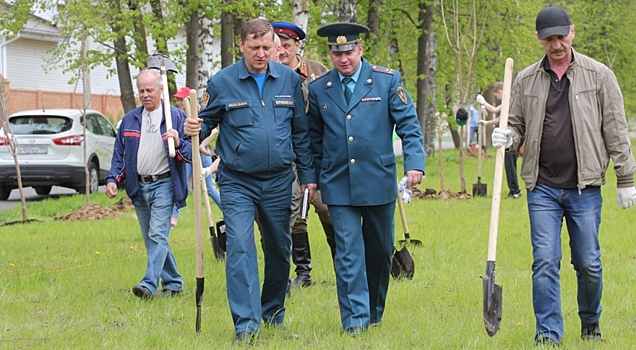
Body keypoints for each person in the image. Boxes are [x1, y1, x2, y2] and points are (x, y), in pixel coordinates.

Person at [491, 5, 636, 346]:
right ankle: (548, 333)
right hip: (542, 188)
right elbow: (515, 128)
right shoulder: (526, 80)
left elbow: (616, 129)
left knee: (588, 263)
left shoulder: (599, 76)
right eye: (549, 39)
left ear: (572, 32)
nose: (556, 45)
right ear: (539, 40)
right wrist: (507, 138)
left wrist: (626, 178)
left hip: (584, 188)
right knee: (544, 260)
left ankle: (590, 322)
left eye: (560, 37)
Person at [183, 18, 316, 344]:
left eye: (267, 47)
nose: (261, 53)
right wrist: (192, 128)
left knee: (278, 250)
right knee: (241, 248)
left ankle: (272, 313)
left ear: (276, 47)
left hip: (279, 180)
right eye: (254, 47)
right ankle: (246, 326)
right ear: (241, 45)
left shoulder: (288, 80)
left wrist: (309, 176)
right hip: (237, 181)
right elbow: (204, 122)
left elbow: (300, 132)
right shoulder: (223, 82)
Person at [307, 22, 425, 336]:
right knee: (348, 253)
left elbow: (409, 126)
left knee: (380, 251)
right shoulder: (320, 89)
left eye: (348, 51)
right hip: (338, 183)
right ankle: (355, 321)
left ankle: (373, 312)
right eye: (336, 52)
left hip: (378, 180)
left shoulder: (386, 81)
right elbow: (313, 139)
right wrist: (311, 177)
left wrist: (415, 165)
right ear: (329, 53)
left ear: (360, 49)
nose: (343, 58)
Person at [105, 69, 192, 299]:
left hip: (164, 183)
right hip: (139, 186)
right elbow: (120, 155)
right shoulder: (130, 120)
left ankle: (149, 284)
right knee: (152, 239)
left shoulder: (175, 117)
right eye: (141, 90)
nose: (145, 95)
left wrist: (178, 142)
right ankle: (173, 283)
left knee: (157, 235)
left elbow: (190, 152)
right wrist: (113, 178)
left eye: (149, 90)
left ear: (161, 91)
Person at [272, 20, 335, 287]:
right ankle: (302, 273)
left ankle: (346, 265)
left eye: (287, 46)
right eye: (279, 46)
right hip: (286, 155)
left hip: (317, 154)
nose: (282, 52)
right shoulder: (270, 75)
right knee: (293, 212)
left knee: (326, 207)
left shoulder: (317, 71)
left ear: (297, 45)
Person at [170, 86, 222, 228]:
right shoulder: (180, 115)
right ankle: (174, 216)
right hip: (188, 155)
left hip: (200, 155)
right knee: (182, 183)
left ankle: (227, 210)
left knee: (209, 188)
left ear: (188, 99)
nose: (178, 102)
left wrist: (201, 145)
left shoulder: (197, 113)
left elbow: (213, 130)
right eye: (177, 99)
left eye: (181, 99)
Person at [476, 82, 521, 198]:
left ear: (500, 92)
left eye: (496, 96)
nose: (497, 98)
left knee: (510, 165)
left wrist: (483, 102)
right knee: (509, 165)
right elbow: (501, 117)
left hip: (510, 137)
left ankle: (515, 191)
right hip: (509, 136)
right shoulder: (511, 98)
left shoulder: (510, 99)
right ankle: (514, 190)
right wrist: (487, 123)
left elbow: (495, 110)